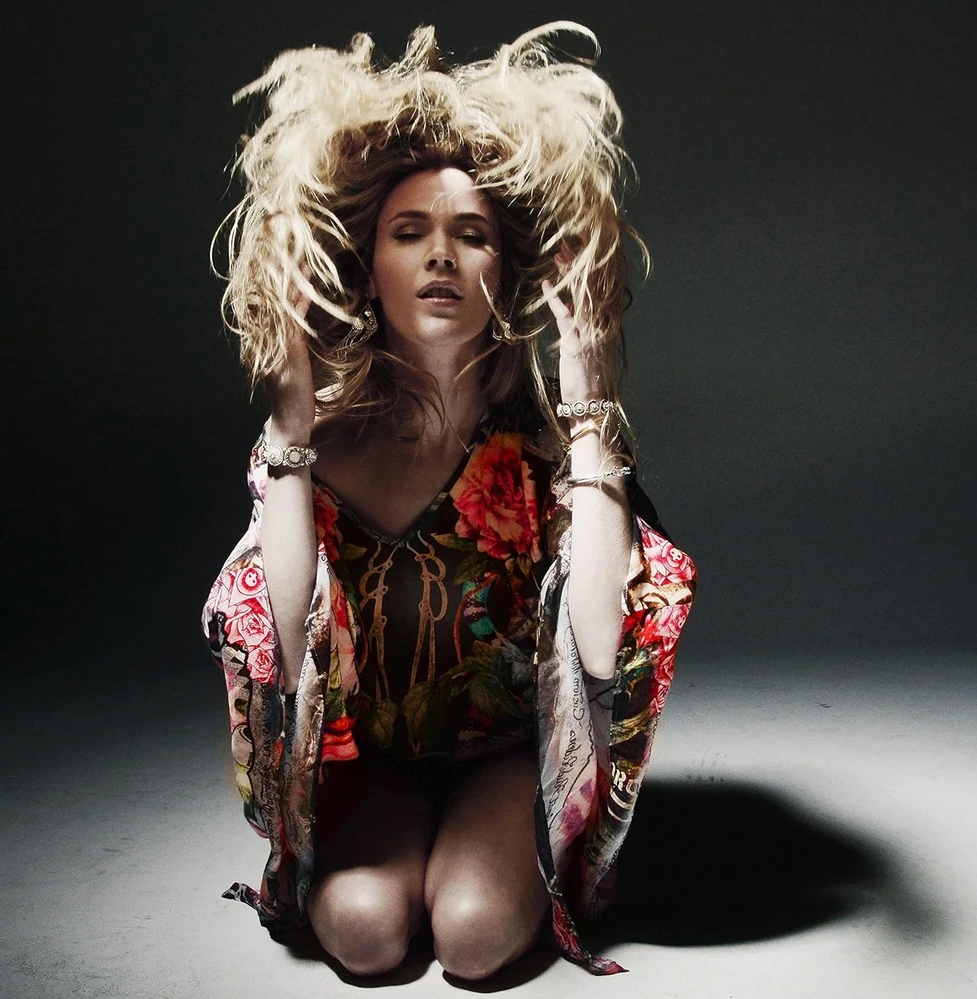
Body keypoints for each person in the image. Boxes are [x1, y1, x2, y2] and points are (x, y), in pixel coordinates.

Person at [201, 22, 697, 979]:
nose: (441, 256)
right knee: (359, 930)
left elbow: (602, 648)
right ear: (368, 267)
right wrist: (292, 419)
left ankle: (485, 842)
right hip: (373, 757)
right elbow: (288, 655)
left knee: (472, 936)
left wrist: (590, 394)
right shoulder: (316, 447)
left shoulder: (543, 447)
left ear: (502, 272)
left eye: (471, 235)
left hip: (501, 758)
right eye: (410, 233)